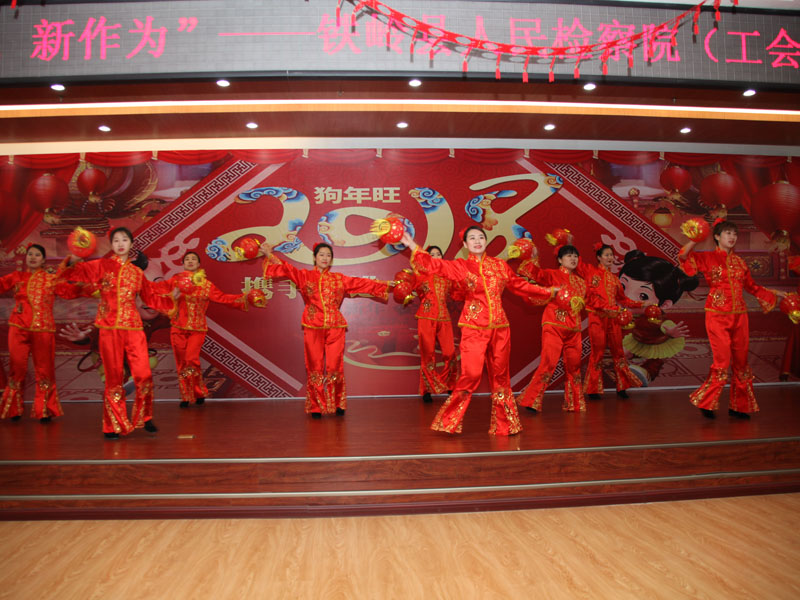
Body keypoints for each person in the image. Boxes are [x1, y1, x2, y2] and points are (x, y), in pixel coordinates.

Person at [401, 227, 556, 435]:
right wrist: (413, 246)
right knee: (471, 374)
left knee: (501, 378)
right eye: (472, 238)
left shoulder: (499, 266)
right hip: (474, 328)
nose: (477, 241)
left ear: (486, 241)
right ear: (465, 245)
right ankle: (448, 421)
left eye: (481, 237)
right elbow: (435, 265)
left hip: (500, 328)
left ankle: (505, 425)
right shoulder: (461, 266)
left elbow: (520, 285)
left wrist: (547, 291)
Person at [260, 241, 392, 418]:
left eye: (328, 255)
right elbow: (285, 269)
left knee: (334, 366)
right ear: (315, 257)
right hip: (312, 326)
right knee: (314, 366)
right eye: (321, 254)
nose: (325, 258)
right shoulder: (304, 276)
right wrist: (269, 254)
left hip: (335, 327)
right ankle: (316, 406)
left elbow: (361, 283)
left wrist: (387, 285)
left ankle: (337, 403)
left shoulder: (338, 279)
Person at [63, 227, 172, 438]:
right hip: (109, 329)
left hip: (133, 328)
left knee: (144, 375)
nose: (120, 244)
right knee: (114, 378)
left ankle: (144, 417)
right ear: (111, 245)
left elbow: (151, 298)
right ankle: (112, 425)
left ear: (131, 244)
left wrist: (172, 305)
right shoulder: (102, 266)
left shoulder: (136, 273)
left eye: (124, 240)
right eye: (116, 241)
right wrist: (73, 261)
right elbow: (76, 273)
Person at [678, 219, 781, 419]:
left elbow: (752, 287)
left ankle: (739, 406)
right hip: (717, 315)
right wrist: (694, 240)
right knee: (722, 362)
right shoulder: (707, 257)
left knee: (741, 363)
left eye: (734, 233)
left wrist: (776, 293)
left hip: (740, 316)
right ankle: (707, 402)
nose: (732, 237)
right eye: (727, 233)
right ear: (717, 236)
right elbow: (683, 257)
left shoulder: (740, 262)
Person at [163, 251, 255, 408]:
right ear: (183, 264)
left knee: (191, 359)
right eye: (187, 259)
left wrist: (244, 297)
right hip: (178, 328)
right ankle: (186, 395)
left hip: (197, 328)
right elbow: (164, 303)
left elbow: (222, 298)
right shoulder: (176, 282)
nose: (190, 261)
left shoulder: (206, 285)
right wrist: (173, 295)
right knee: (181, 363)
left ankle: (198, 392)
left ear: (198, 264)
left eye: (194, 259)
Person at [0, 244, 80, 423]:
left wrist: (89, 287)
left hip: (43, 330)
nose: (33, 257)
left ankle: (44, 410)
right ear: (26, 257)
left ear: (43, 260)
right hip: (18, 328)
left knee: (44, 370)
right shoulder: (17, 277)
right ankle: (14, 409)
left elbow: (69, 291)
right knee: (16, 369)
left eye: (37, 255)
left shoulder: (51, 279)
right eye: (30, 254)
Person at [516, 244, 588, 413]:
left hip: (574, 328)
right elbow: (534, 273)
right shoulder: (552, 275)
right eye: (569, 256)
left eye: (575, 256)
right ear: (560, 260)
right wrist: (532, 256)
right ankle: (532, 400)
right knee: (549, 362)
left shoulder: (582, 283)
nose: (573, 259)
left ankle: (575, 403)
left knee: (574, 367)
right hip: (554, 324)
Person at [618, 250, 698, 386]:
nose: (627, 297)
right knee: (623, 352)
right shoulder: (627, 313)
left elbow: (665, 326)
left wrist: (671, 333)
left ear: (665, 304)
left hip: (656, 343)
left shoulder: (657, 318)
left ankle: (646, 372)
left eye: (643, 295)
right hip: (637, 339)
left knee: (656, 360)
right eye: (622, 286)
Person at [582, 244, 644, 400]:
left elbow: (623, 300)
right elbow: (591, 298)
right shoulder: (591, 273)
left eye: (611, 255)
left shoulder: (615, 279)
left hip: (613, 319)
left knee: (619, 353)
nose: (610, 258)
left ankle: (622, 386)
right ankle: (593, 389)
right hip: (597, 318)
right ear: (599, 257)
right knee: (597, 353)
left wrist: (641, 304)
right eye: (606, 255)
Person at [410, 245, 459, 403]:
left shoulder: (448, 275)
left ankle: (450, 384)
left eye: (439, 254)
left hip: (444, 317)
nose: (436, 256)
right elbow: (414, 290)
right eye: (432, 254)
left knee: (450, 353)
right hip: (426, 317)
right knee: (428, 354)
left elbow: (457, 293)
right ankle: (426, 389)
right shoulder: (421, 274)